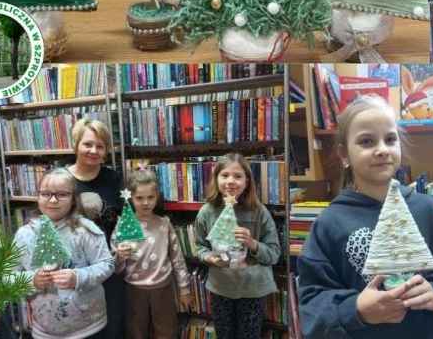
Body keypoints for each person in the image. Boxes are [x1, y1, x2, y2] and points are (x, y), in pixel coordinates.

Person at [297, 95, 433, 339]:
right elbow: (312, 301)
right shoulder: (329, 223)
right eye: (367, 141)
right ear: (344, 155)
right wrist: (356, 309)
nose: (382, 150)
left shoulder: (428, 209)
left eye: (390, 139)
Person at [13, 168, 114, 339]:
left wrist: (78, 277)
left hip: (90, 326)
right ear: (37, 197)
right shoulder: (24, 235)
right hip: (45, 330)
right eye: (46, 194)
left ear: (73, 199)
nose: (52, 200)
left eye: (61, 194)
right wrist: (32, 280)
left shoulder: (85, 230)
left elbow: (107, 264)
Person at [194, 153, 281, 339]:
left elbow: (274, 254)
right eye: (224, 175)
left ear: (247, 181)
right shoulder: (207, 212)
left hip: (252, 290)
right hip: (221, 287)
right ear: (216, 179)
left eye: (238, 176)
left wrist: (252, 243)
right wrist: (208, 257)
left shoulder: (259, 212)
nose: (231, 181)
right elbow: (200, 247)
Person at [113, 168, 192, 339]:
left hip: (162, 288)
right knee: (136, 331)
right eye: (139, 198)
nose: (145, 203)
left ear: (157, 197)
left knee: (166, 330)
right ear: (130, 198)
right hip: (134, 289)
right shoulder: (123, 225)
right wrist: (119, 256)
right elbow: (115, 268)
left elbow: (177, 259)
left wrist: (184, 288)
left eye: (150, 197)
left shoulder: (164, 224)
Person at [67, 118, 124, 339]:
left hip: (110, 267)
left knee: (113, 327)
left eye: (100, 146)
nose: (94, 150)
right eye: (88, 144)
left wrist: (125, 245)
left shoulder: (113, 178)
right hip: (76, 271)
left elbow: (125, 218)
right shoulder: (62, 179)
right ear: (76, 145)